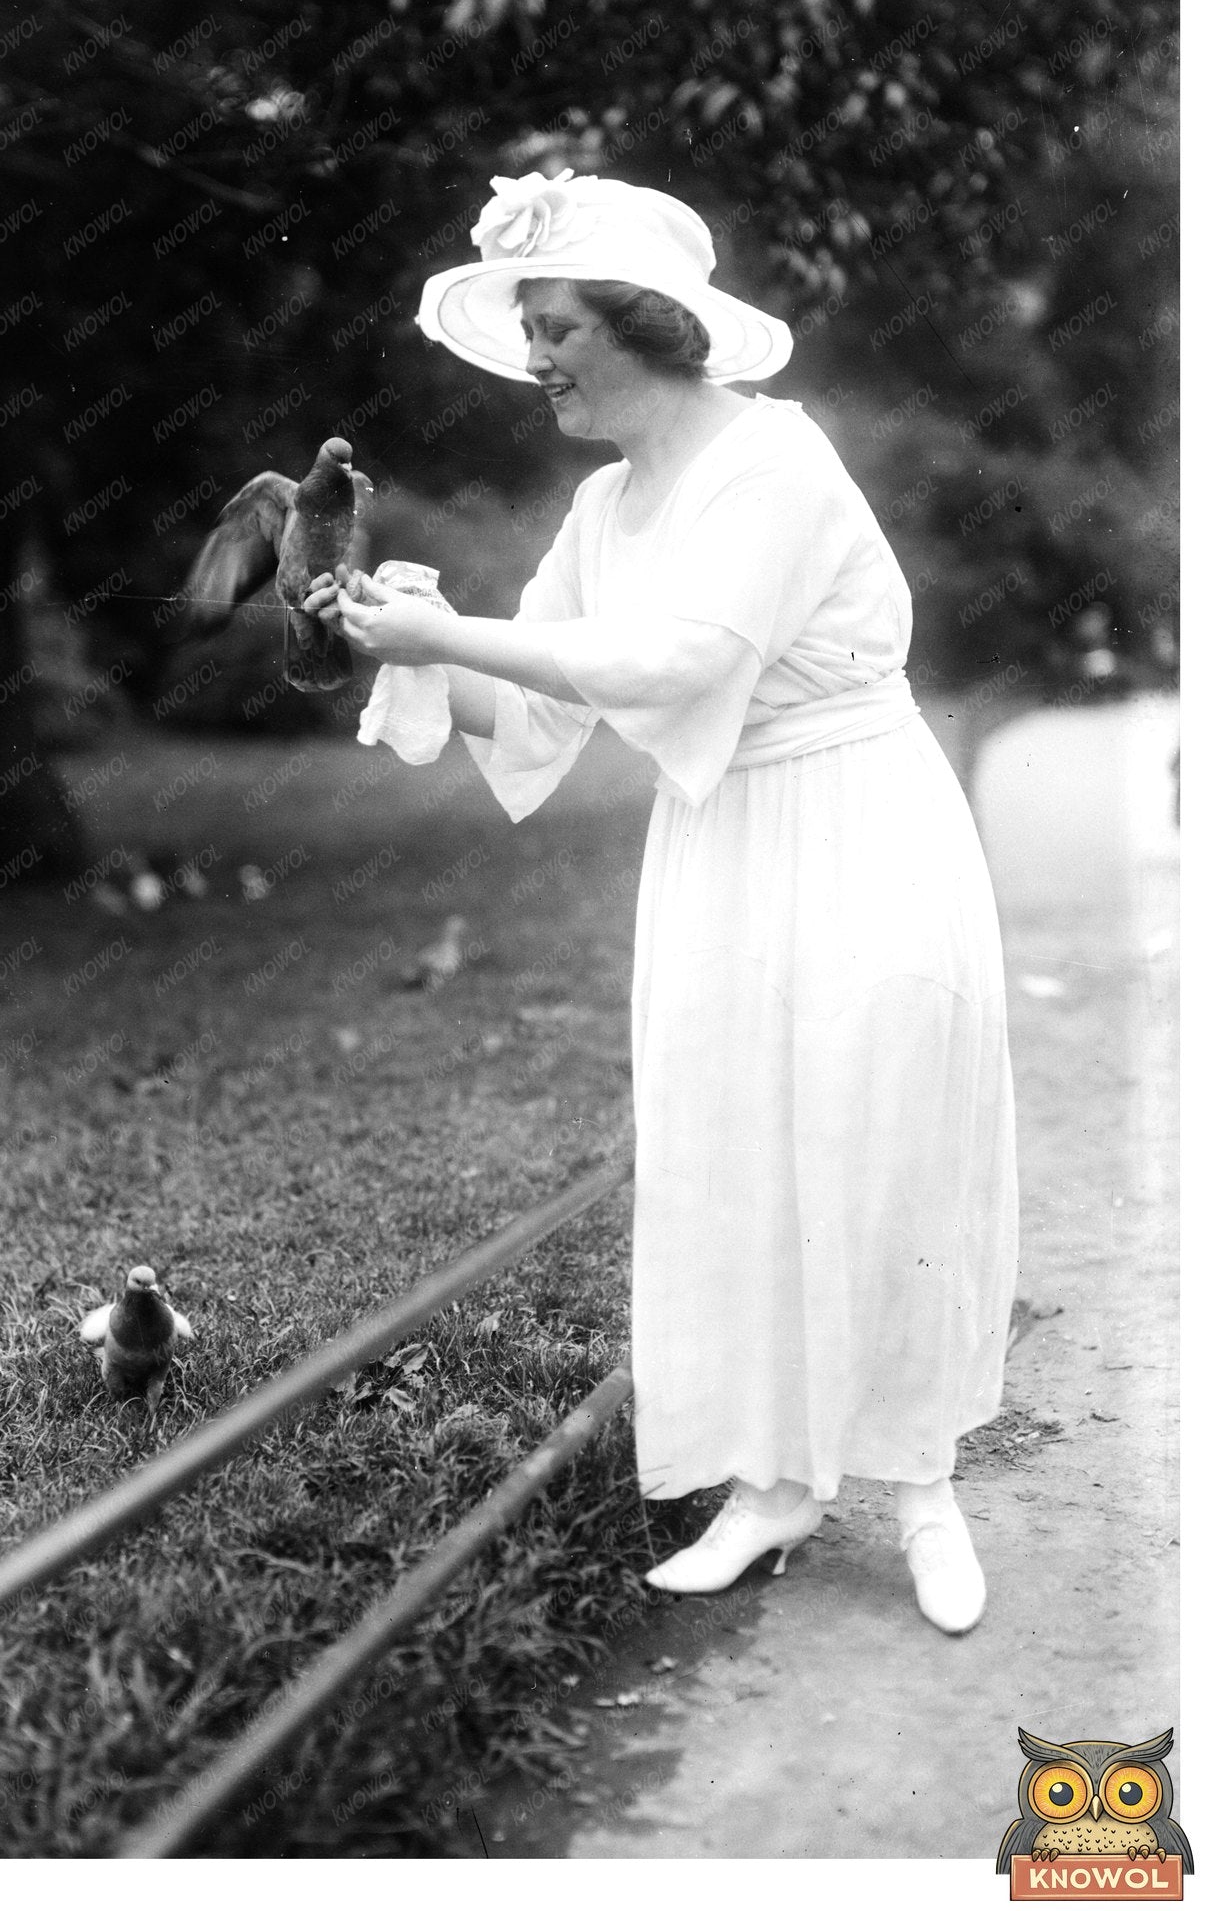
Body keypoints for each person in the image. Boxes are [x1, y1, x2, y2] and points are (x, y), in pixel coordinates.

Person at [303, 170, 1020, 1635]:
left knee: (875, 1126)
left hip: (859, 821)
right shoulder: (603, 499)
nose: (536, 358)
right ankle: (768, 1487)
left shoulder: (777, 463)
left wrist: (464, 631)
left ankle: (919, 1480)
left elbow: (682, 662)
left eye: (556, 325)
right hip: (720, 842)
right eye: (528, 329)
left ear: (643, 324)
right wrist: (414, 639)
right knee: (732, 1139)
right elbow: (546, 721)